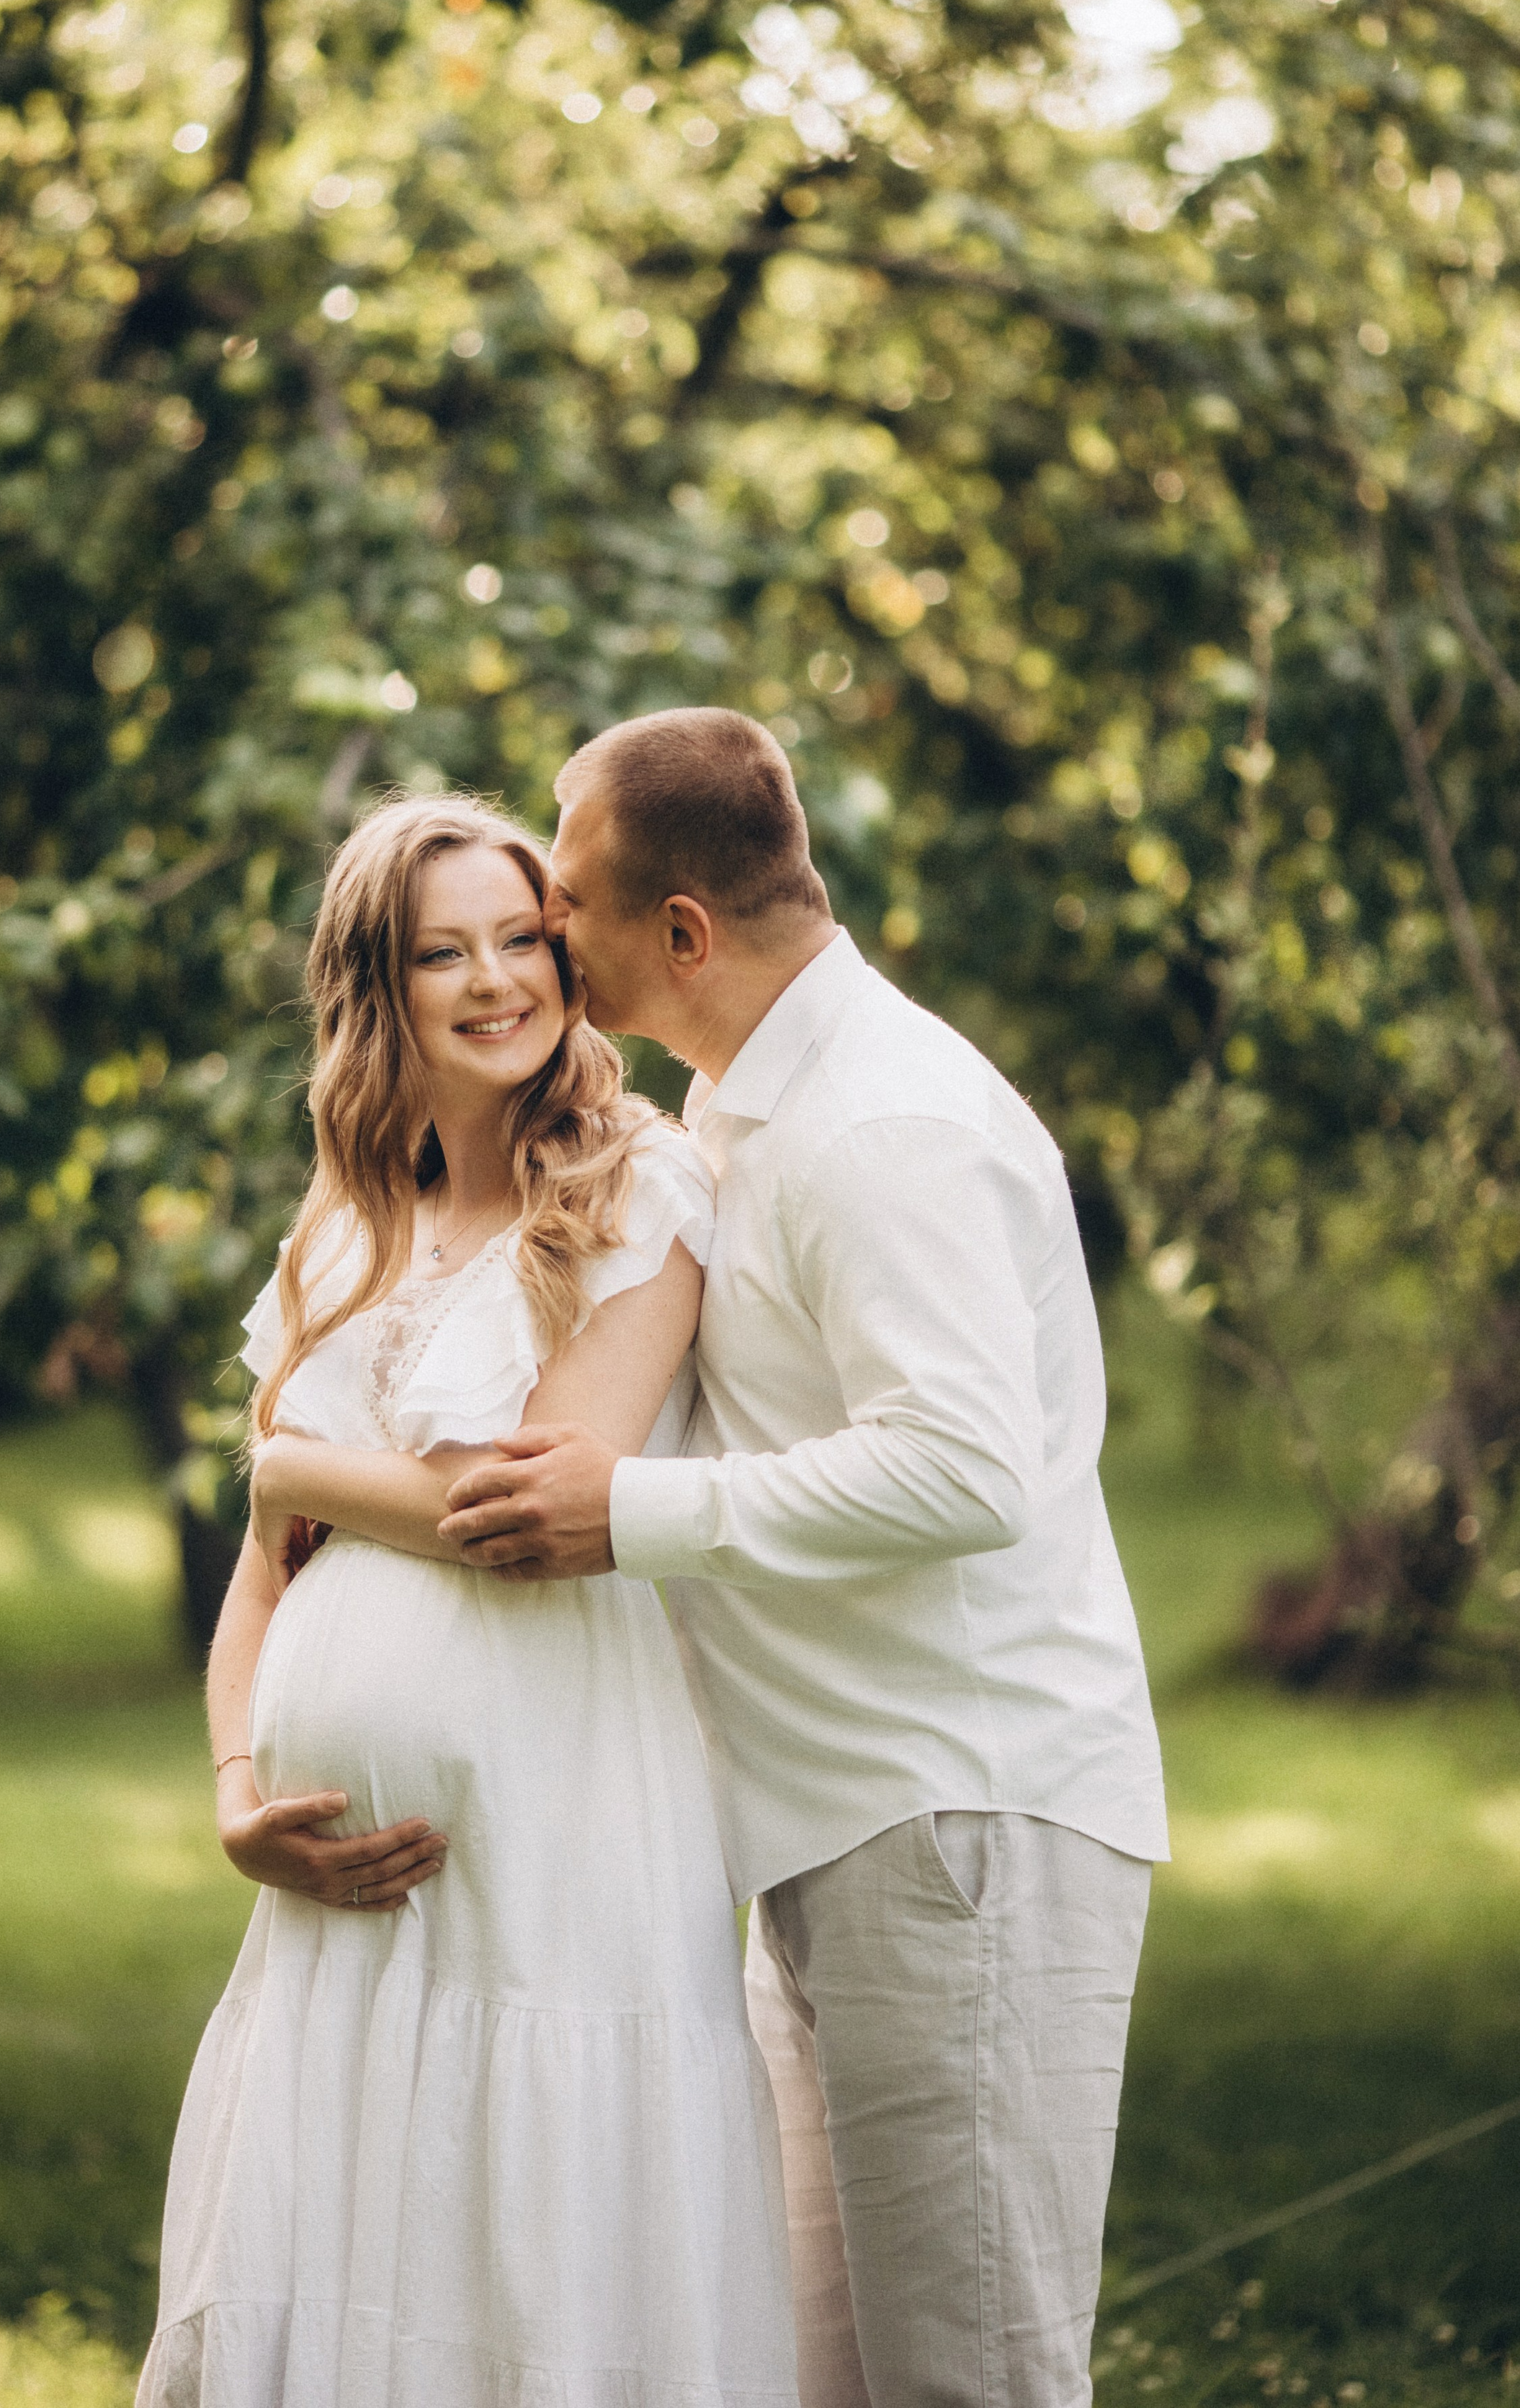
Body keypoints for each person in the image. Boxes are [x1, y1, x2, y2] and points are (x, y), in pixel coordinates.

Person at [434, 708, 1170, 2408]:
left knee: (967, 2377)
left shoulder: (881, 1128)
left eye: (566, 899)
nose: (544, 928)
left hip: (959, 1827)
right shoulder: (741, 1117)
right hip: (841, 1832)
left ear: (677, 933)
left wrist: (626, 1516)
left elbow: (962, 1465)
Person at [137, 790, 799, 2408]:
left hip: (558, 1825)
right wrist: (236, 1797)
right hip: (337, 1905)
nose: (497, 978)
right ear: (380, 988)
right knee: (349, 2251)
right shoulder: (344, 1226)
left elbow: (529, 1505)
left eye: (523, 938)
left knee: (530, 2244)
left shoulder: (636, 1188)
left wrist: (292, 1468)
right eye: (445, 953)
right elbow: (256, 1595)